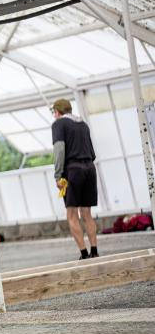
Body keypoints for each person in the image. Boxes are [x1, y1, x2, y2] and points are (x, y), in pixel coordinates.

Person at [51, 98, 99, 260]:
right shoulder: (83, 124)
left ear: (57, 112)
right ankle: (94, 251)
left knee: (72, 213)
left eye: (54, 113)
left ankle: (84, 254)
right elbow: (93, 153)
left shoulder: (59, 124)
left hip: (73, 170)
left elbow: (59, 150)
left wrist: (58, 175)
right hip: (90, 169)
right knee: (86, 212)